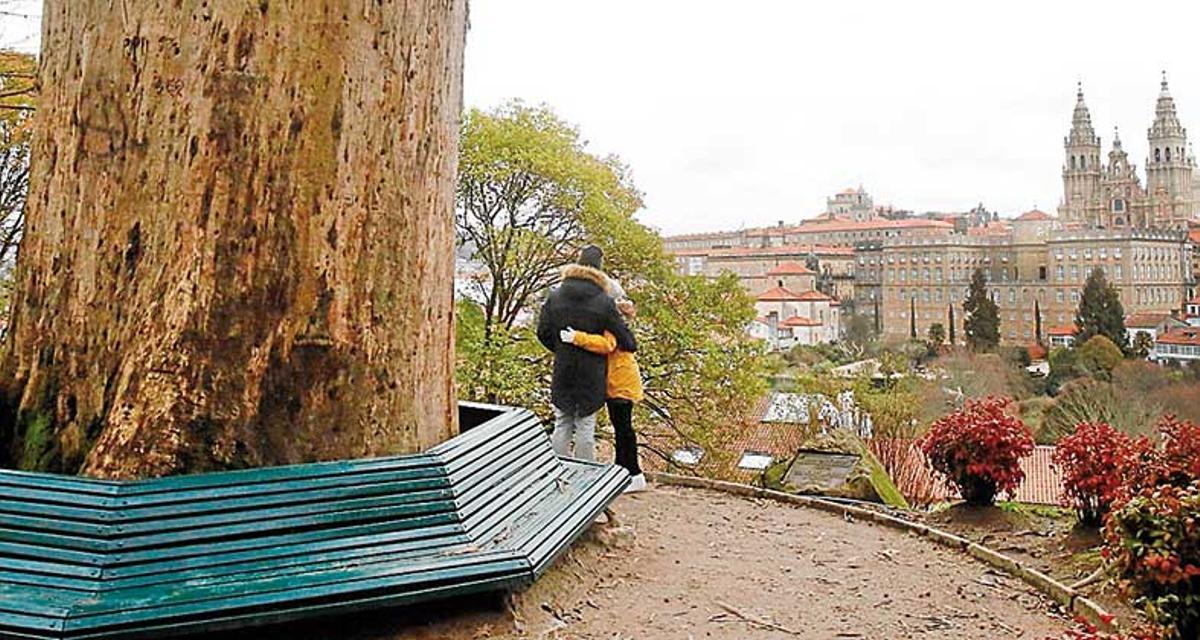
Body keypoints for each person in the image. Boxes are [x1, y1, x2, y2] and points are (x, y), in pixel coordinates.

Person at [536, 246, 637, 461]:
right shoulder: (604, 300)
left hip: (563, 369)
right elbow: (627, 341)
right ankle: (585, 476)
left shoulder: (555, 295)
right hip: (592, 372)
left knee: (562, 424)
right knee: (585, 426)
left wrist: (562, 349)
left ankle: (558, 473)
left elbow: (542, 332)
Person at [561, 280, 647, 492]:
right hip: (620, 381)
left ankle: (632, 473)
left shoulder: (611, 322)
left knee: (623, 429)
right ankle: (626, 471)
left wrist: (576, 338)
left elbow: (607, 345)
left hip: (619, 382)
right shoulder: (616, 320)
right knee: (622, 427)